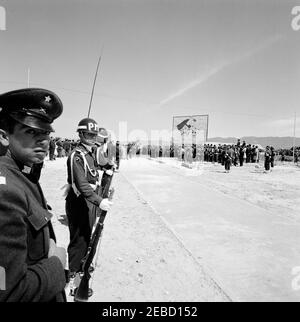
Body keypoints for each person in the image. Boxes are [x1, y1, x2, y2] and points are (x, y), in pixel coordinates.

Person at [0, 88, 67, 302]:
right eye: (31, 132)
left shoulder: (23, 172)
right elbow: (10, 293)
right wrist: (57, 263)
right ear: (3, 136)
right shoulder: (6, 191)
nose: (44, 140)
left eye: (46, 133)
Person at [65, 118, 112, 293]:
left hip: (88, 201)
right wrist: (100, 201)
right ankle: (73, 280)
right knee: (79, 240)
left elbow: (96, 168)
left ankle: (81, 266)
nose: (93, 137)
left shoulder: (90, 153)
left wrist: (105, 169)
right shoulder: (76, 156)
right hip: (78, 201)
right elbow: (82, 185)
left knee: (87, 236)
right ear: (81, 134)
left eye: (94, 134)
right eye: (89, 134)